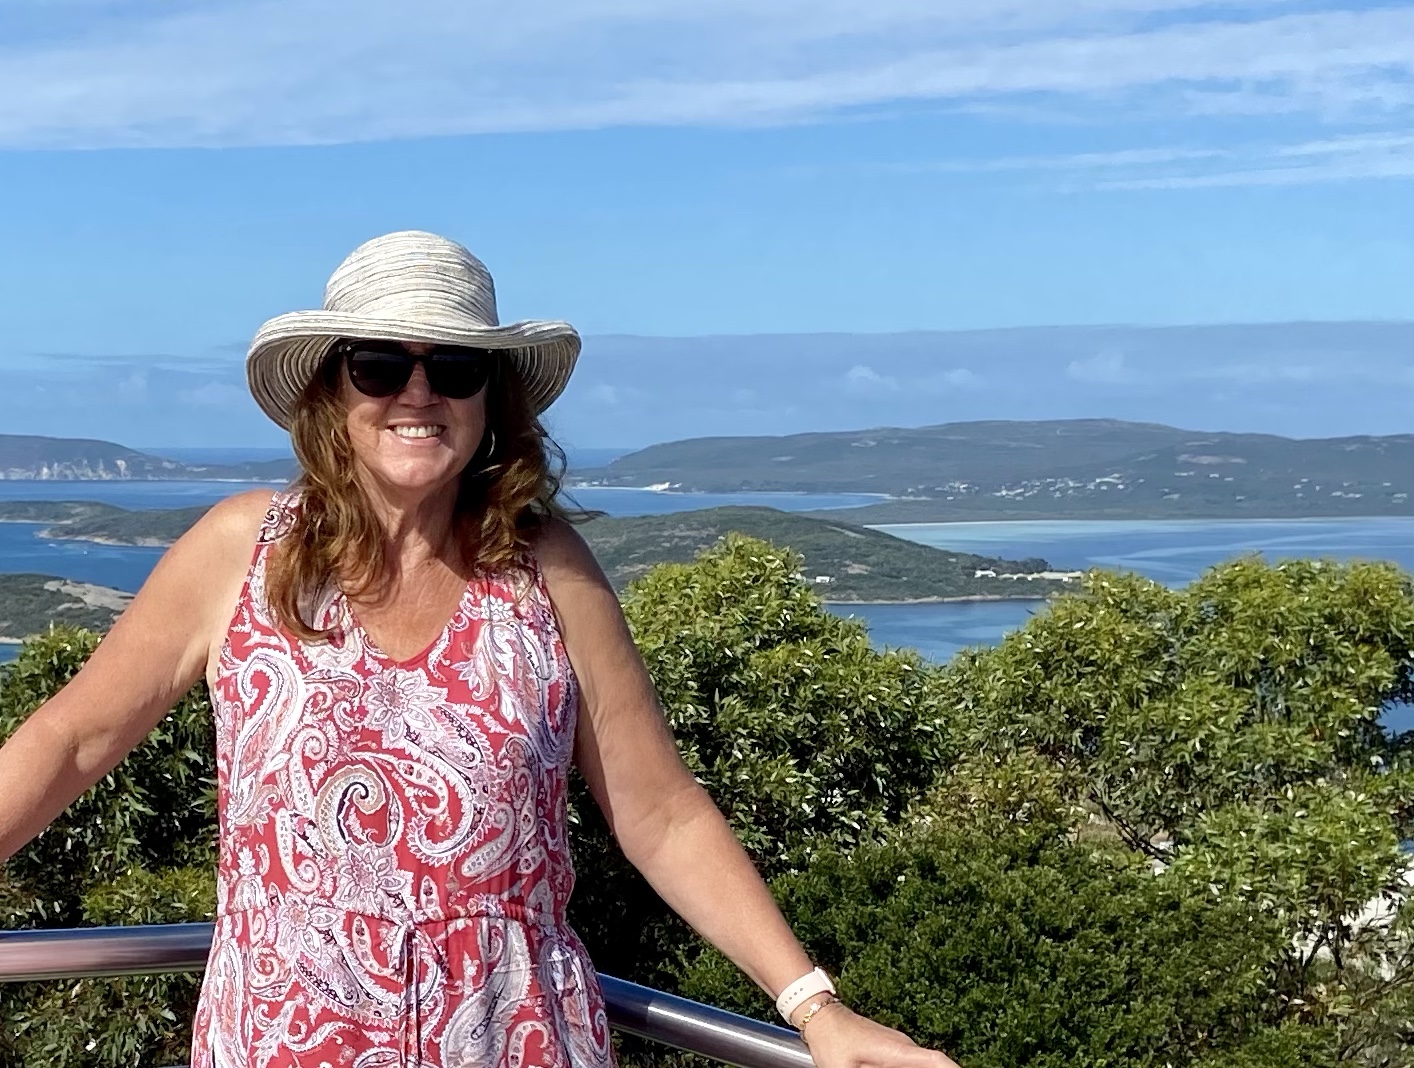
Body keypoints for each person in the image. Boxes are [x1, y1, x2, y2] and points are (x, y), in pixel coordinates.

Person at [0, 231, 962, 1068]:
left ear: (491, 398)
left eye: (455, 367)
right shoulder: (241, 552)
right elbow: (75, 740)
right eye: (380, 364)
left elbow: (661, 812)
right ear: (333, 390)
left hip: (517, 1037)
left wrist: (814, 1007)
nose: (418, 392)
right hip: (283, 1037)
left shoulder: (548, 571)